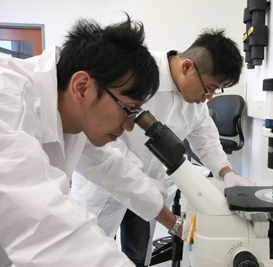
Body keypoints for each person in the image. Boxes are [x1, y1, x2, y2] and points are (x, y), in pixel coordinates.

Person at [0, 14, 182, 267]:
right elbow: (49, 232)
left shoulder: (72, 113)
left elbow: (115, 170)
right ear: (83, 87)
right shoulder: (10, 108)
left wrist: (176, 225)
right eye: (128, 108)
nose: (129, 126)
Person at [71, 28, 253, 266]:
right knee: (91, 250)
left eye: (215, 91)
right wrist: (142, 182)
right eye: (208, 88)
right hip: (104, 183)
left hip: (151, 190)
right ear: (187, 67)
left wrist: (226, 171)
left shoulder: (195, 102)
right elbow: (106, 143)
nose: (208, 97)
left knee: (136, 253)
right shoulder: (141, 72)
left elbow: (206, 139)